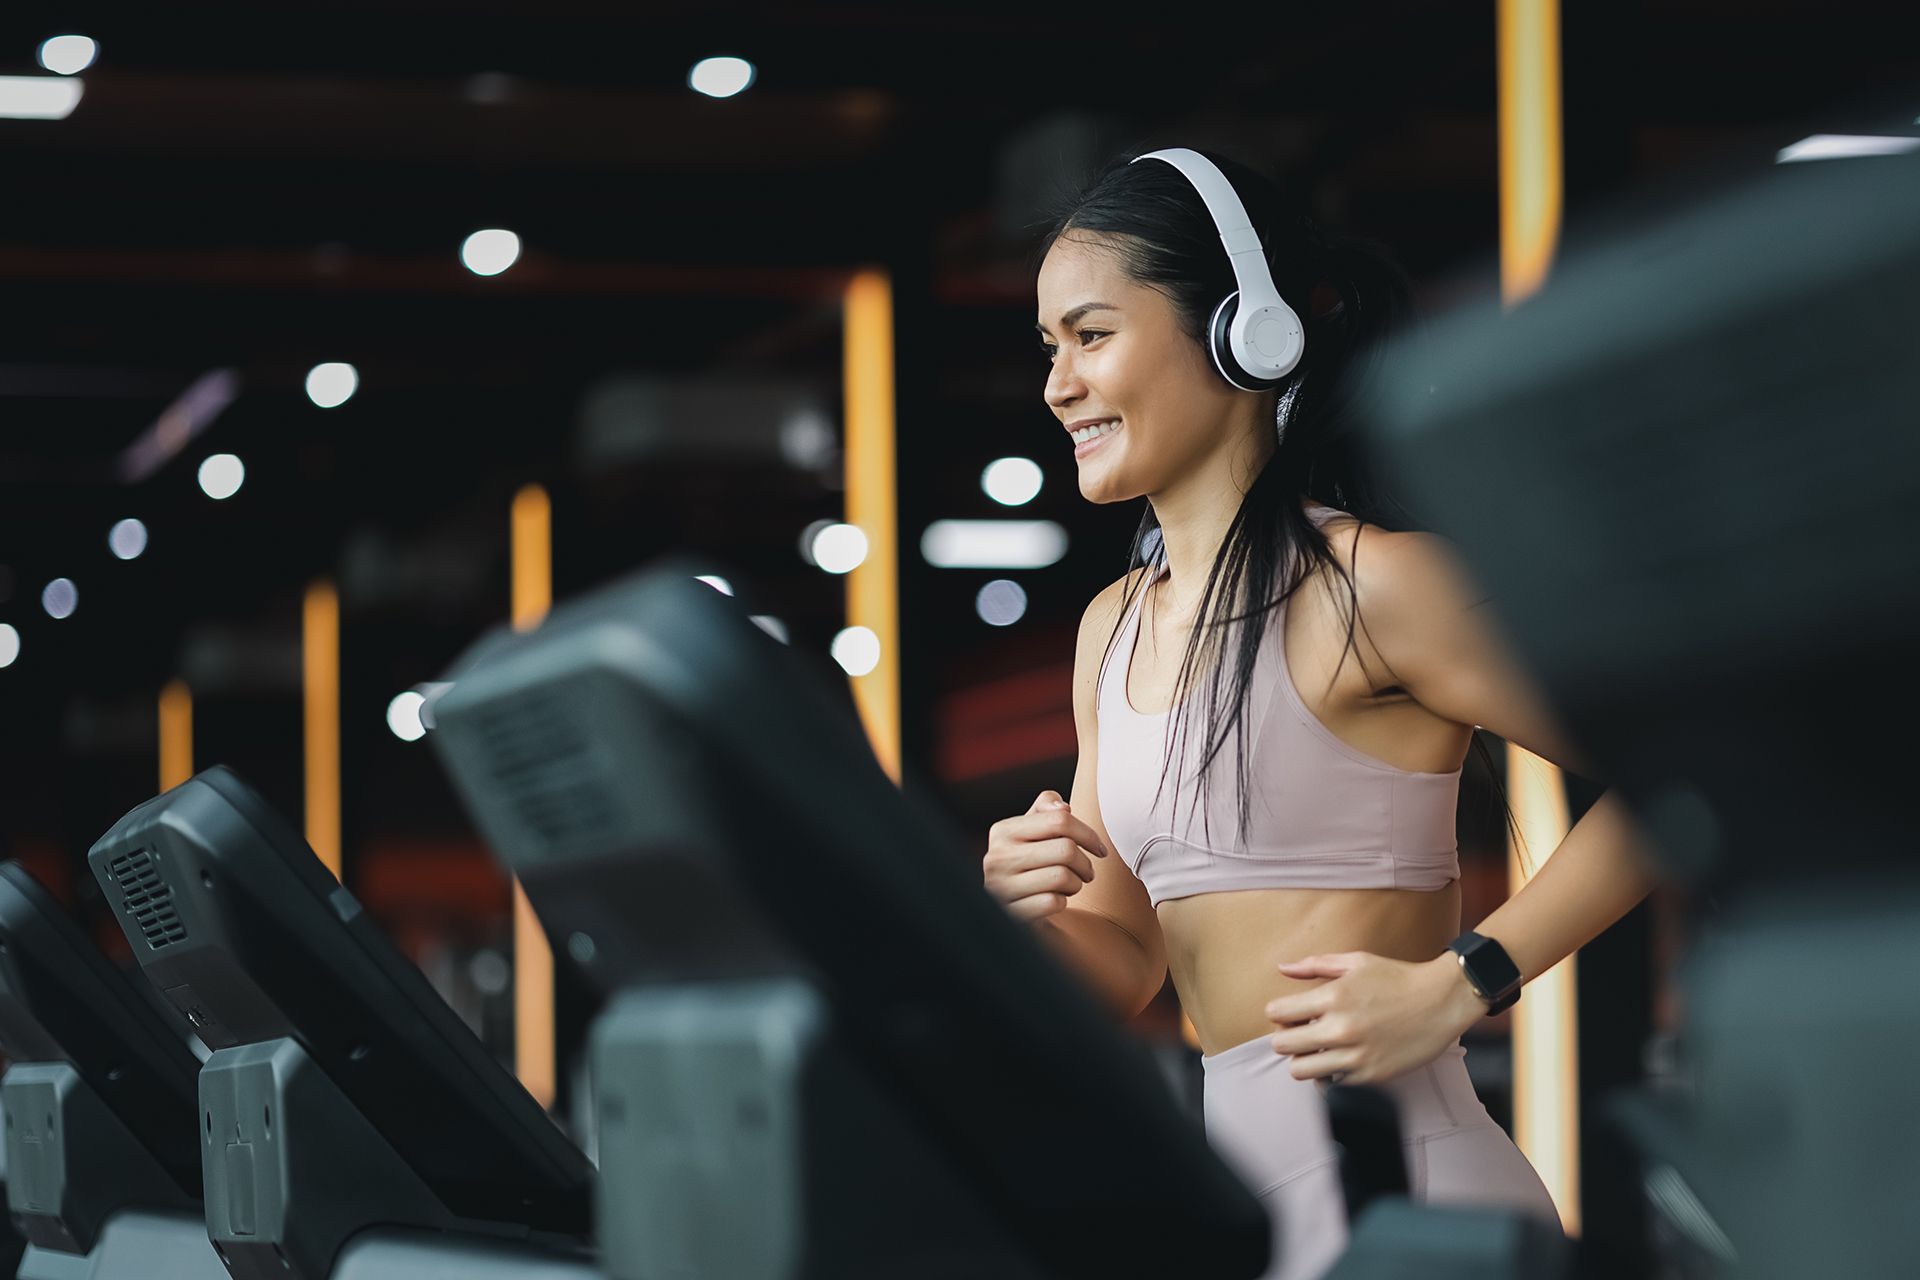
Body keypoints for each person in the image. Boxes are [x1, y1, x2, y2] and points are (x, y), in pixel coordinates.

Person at [981, 147, 1661, 1280]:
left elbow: (1672, 772)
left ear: (1243, 332)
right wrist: (1023, 909)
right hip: (1248, 1201)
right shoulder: (1112, 625)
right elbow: (1125, 961)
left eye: (1091, 336)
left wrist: (1463, 980)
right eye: (1049, 348)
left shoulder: (1376, 584)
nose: (1057, 384)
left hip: (1407, 1180)